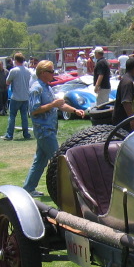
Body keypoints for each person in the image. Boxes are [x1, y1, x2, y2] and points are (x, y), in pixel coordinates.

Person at [21, 61, 84, 197]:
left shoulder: (47, 88)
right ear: (43, 73)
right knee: (58, 160)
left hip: (49, 129)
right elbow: (34, 110)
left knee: (40, 161)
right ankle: (71, 191)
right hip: (43, 130)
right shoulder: (36, 89)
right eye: (51, 71)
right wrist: (52, 104)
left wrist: (75, 110)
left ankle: (28, 188)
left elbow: (59, 105)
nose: (53, 74)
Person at [4, 52, 32, 140]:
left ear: (15, 60)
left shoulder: (13, 70)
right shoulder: (28, 71)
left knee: (12, 116)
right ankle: (26, 134)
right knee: (24, 116)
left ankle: (9, 135)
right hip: (25, 97)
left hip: (15, 97)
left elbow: (7, 82)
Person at [112, 56, 134, 132]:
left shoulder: (130, 79)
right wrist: (132, 120)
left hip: (129, 121)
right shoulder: (127, 82)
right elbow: (126, 102)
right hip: (125, 123)